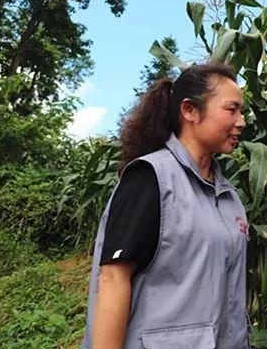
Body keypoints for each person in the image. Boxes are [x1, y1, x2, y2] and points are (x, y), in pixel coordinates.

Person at [82, 63, 249, 349]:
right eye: (231, 110)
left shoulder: (228, 196)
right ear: (189, 111)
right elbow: (113, 278)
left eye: (241, 112)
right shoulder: (150, 178)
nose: (242, 121)